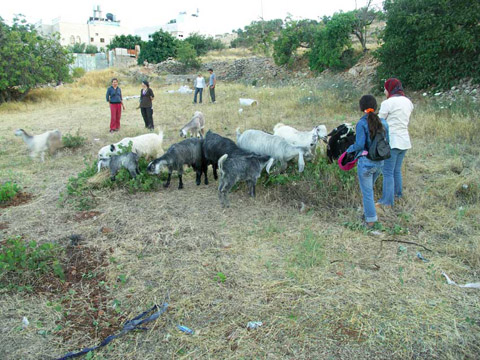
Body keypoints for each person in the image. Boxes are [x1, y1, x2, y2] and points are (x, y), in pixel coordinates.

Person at [346, 95, 389, 228]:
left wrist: (348, 150)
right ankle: (369, 215)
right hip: (380, 162)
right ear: (376, 107)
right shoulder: (384, 123)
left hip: (366, 163)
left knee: (367, 193)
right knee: (369, 190)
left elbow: (359, 145)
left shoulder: (361, 123)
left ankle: (370, 221)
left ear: (361, 107)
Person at [377, 78, 414, 207]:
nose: (384, 91)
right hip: (404, 140)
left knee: (387, 172)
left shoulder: (387, 103)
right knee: (396, 170)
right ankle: (397, 195)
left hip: (392, 141)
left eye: (385, 88)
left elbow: (379, 122)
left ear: (390, 88)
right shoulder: (408, 102)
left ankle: (386, 201)